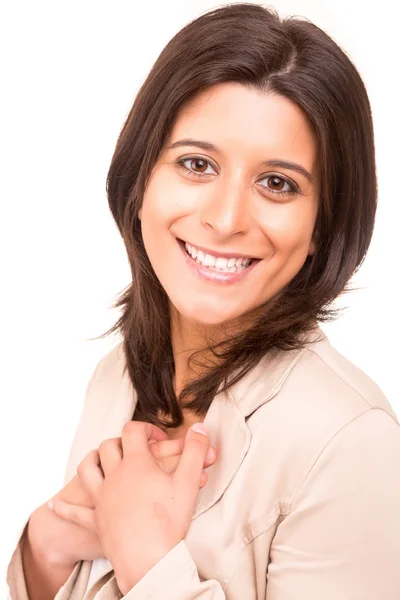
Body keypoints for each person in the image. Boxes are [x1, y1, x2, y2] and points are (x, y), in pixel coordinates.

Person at [7, 3, 400, 599]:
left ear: (322, 224)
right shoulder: (114, 378)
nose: (224, 219)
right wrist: (47, 545)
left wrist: (150, 561)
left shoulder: (352, 446)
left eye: (278, 183)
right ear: (141, 181)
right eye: (197, 164)